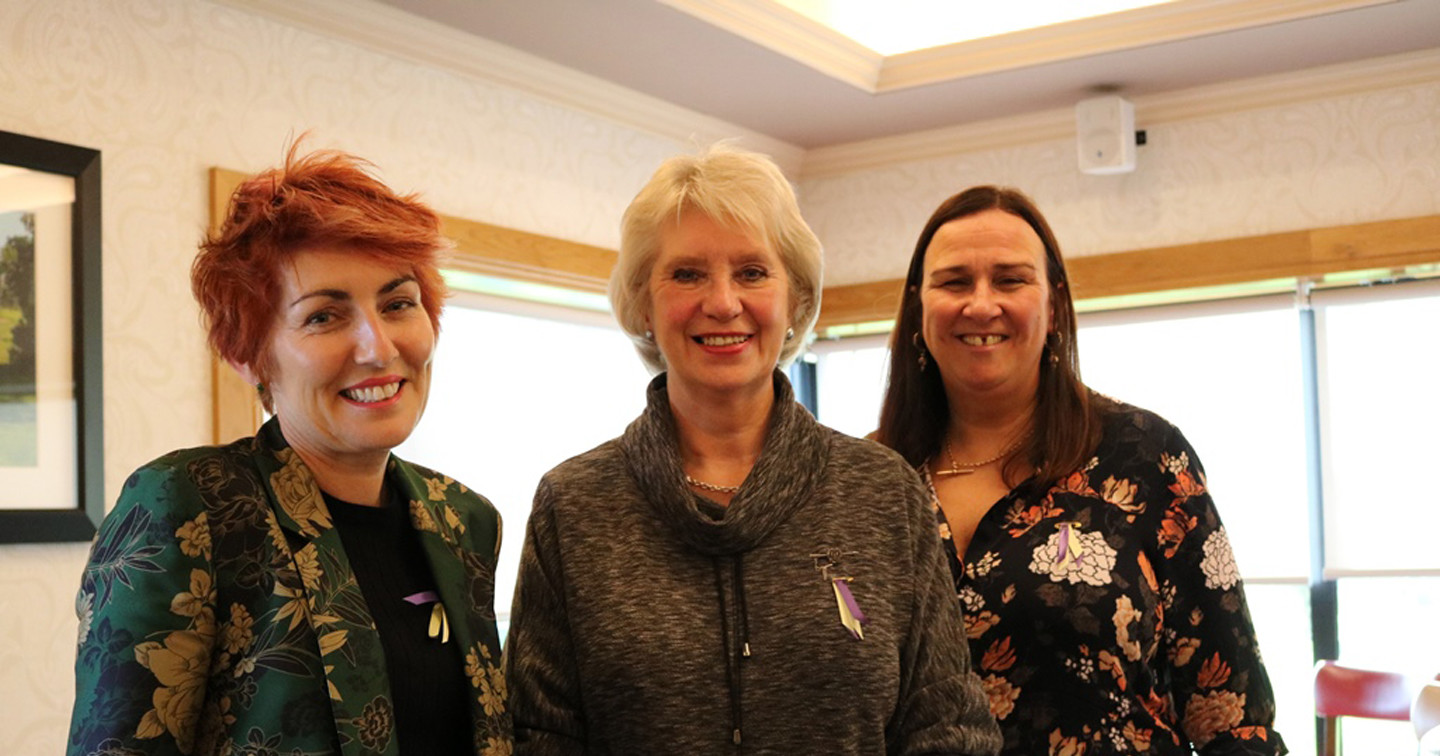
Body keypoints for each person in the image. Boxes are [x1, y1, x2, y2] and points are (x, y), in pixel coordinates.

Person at [503, 145, 1001, 755]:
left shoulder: (882, 491)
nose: (722, 302)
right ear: (643, 303)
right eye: (687, 274)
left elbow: (948, 726)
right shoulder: (574, 506)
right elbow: (538, 736)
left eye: (752, 272)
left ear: (795, 300)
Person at [67, 146, 512, 756]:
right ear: (249, 356)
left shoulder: (465, 518)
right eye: (325, 316)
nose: (377, 348)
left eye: (398, 304)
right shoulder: (187, 504)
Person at [874, 185, 1286, 755]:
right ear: (919, 306)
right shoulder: (865, 478)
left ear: (1055, 306)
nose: (981, 304)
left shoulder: (1145, 456)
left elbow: (1235, 719)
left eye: (1010, 279)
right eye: (954, 281)